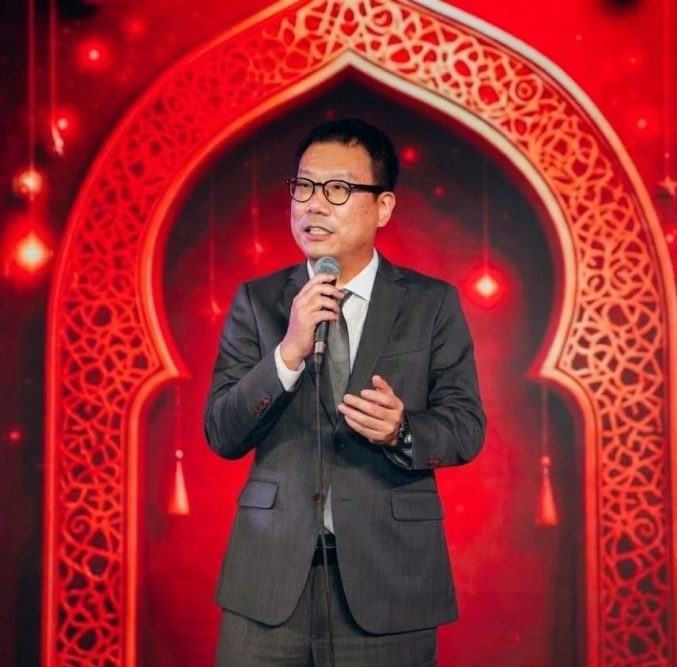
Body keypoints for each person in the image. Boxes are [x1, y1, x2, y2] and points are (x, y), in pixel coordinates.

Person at [204, 117, 486, 665]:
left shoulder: (430, 303)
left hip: (390, 581)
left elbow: (466, 427)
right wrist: (287, 353)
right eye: (303, 187)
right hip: (267, 582)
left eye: (337, 189)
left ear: (383, 207)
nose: (313, 205)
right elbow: (222, 432)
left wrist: (401, 429)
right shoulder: (258, 301)